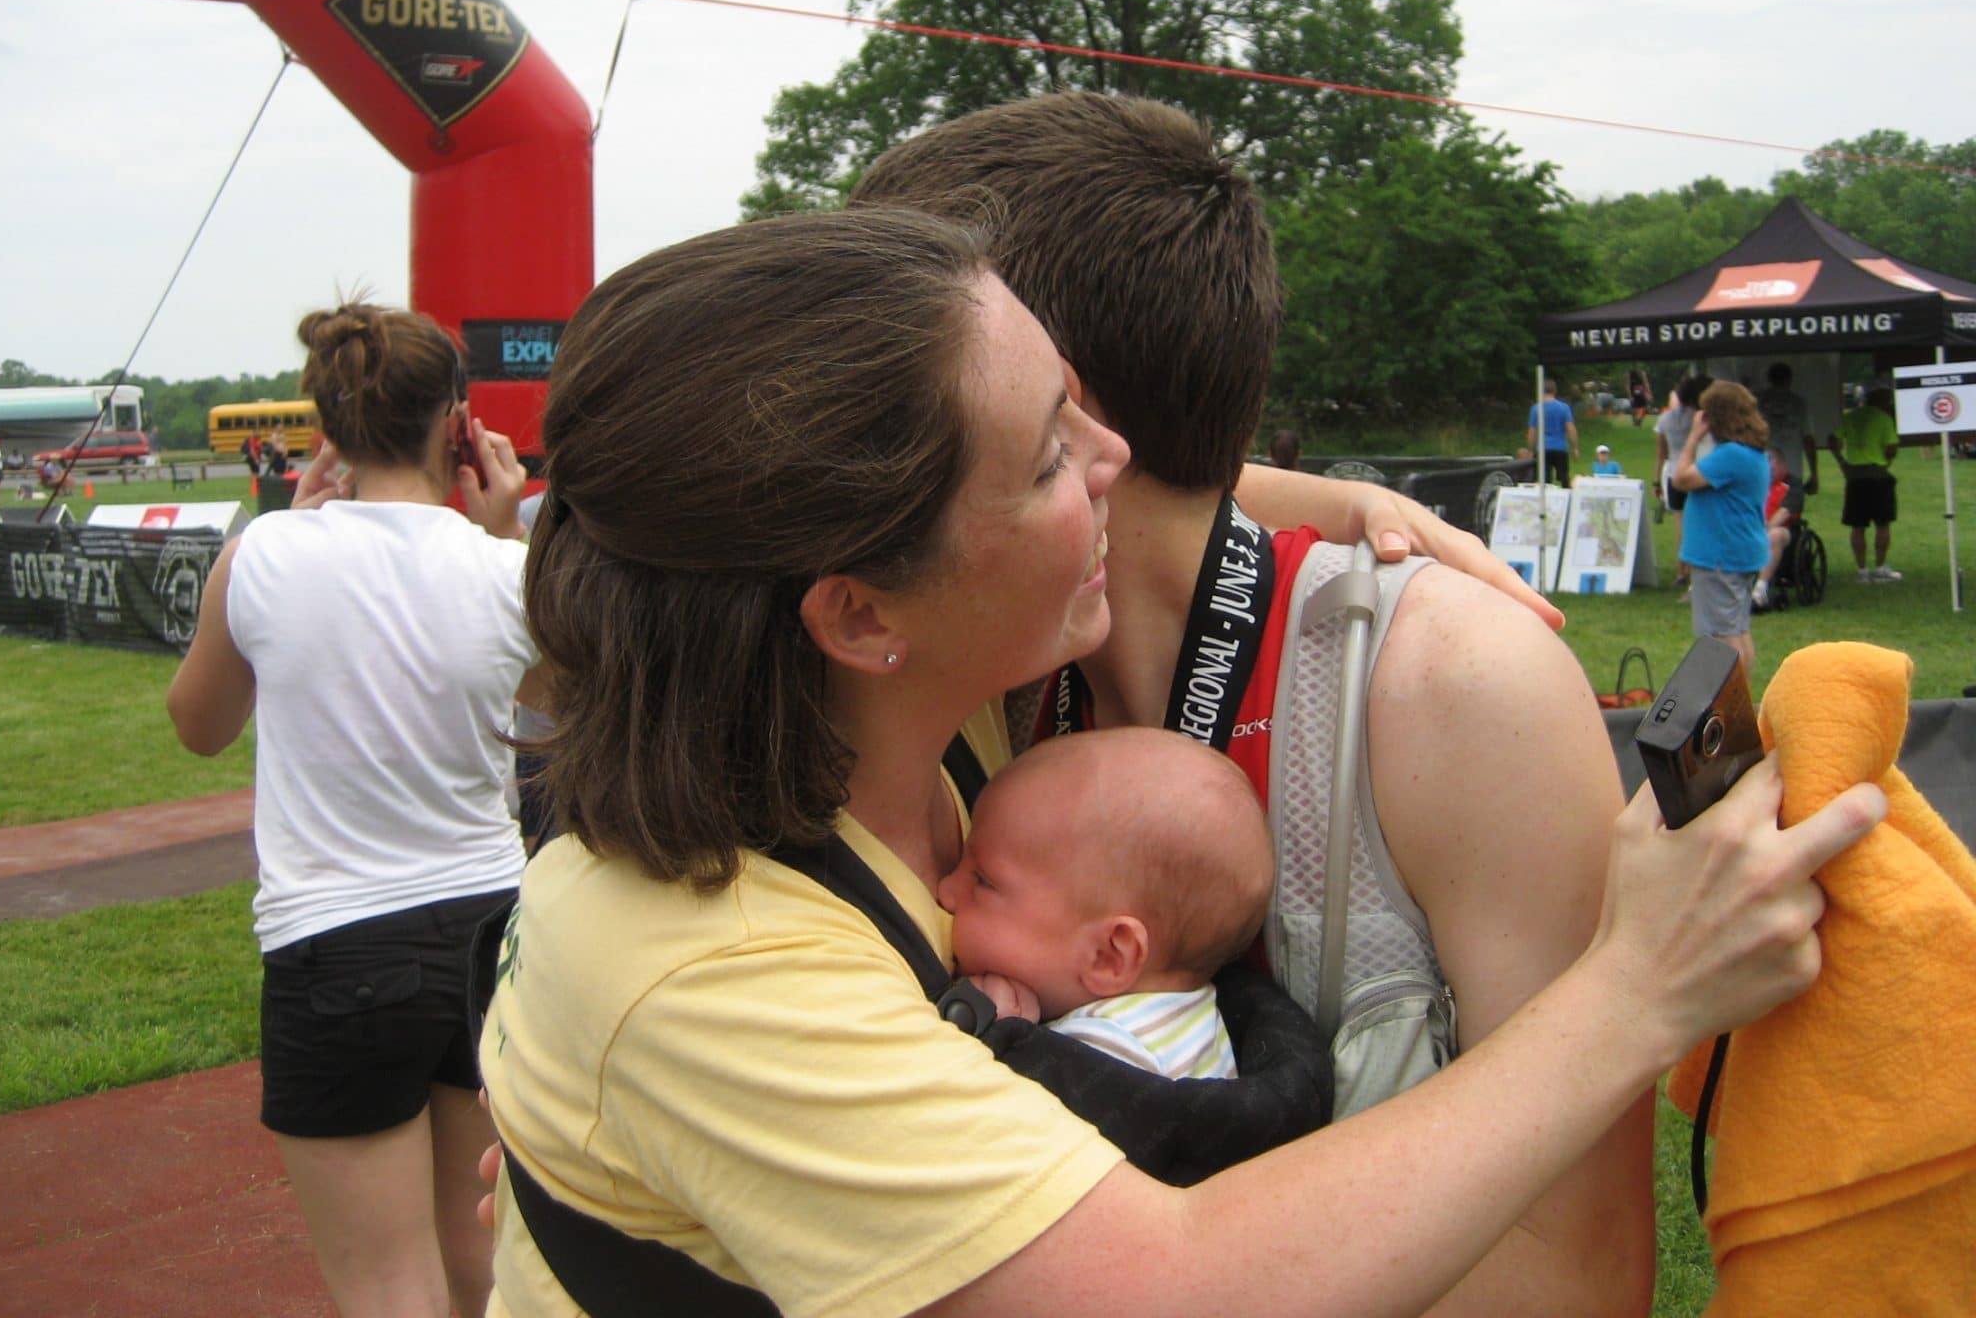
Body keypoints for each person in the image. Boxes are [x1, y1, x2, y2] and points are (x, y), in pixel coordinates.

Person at [481, 206, 1882, 1318]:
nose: (1114, 460)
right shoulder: (705, 966)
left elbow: (1133, 502)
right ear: (859, 614)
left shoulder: (881, 727)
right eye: (1049, 454)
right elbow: (1180, 1281)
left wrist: (1338, 501)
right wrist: (1639, 989)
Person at [852, 92, 1660, 1303]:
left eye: (888, 389)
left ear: (1065, 415)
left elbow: (1567, 1272)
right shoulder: (964, 668)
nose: (855, 444)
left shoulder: (1450, 686)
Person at [168, 300, 538, 1318]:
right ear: (457, 424)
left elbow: (198, 725)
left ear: (325, 427)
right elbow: (567, 708)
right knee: (486, 1267)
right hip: (487, 931)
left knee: (384, 1283)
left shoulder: (266, 557)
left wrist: (284, 536)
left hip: (333, 947)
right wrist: (499, 537)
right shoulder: (507, 572)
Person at [940, 728, 1271, 1080]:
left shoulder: (1109, 1052)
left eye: (983, 881)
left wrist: (993, 1035)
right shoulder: (1187, 1020)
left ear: (1109, 955)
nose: (945, 891)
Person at [1671, 379, 1771, 677]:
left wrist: (1693, 438)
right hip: (1741, 550)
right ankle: (1741, 700)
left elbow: (1681, 480)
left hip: (1720, 555)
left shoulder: (1731, 455)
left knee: (1723, 637)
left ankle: (1732, 703)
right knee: (1738, 629)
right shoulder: (1753, 453)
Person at [1830, 385, 1901, 583]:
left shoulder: (1851, 416)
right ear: (1883, 402)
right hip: (1878, 475)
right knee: (1883, 523)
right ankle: (1879, 567)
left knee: (1857, 525)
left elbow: (1832, 440)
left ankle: (1861, 570)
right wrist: (1887, 461)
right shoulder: (1884, 419)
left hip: (1855, 477)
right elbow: (1892, 447)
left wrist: (1842, 463)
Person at [1655, 373, 1712, 588]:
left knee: (1680, 523)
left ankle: (1681, 570)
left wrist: (1656, 479)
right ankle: (1696, 569)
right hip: (1694, 471)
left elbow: (1661, 452)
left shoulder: (1665, 418)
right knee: (1698, 523)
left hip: (1672, 472)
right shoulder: (1698, 418)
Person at [1755, 361, 1819, 498]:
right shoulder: (1799, 403)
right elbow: (1808, 440)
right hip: (1793, 471)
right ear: (1790, 379)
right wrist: (1814, 474)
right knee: (1791, 514)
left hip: (1764, 470)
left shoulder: (1758, 403)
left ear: (1769, 379)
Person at [1754, 451, 1799, 612]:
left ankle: (1760, 589)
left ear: (1782, 465)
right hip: (1753, 528)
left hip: (1784, 530)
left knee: (1774, 535)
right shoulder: (1755, 483)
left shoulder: (1792, 484)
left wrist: (1764, 529)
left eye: (1772, 468)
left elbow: (1786, 511)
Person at [1526, 379, 1578, 487]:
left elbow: (1532, 431)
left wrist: (1530, 450)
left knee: (1544, 481)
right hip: (1560, 447)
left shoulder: (1536, 409)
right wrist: (1575, 447)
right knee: (1564, 478)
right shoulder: (1564, 407)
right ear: (1555, 390)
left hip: (1542, 448)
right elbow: (1570, 428)